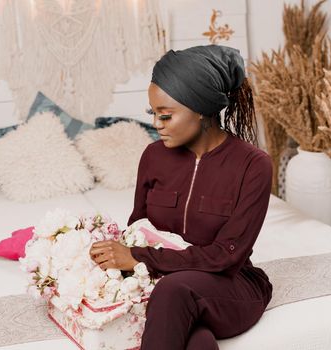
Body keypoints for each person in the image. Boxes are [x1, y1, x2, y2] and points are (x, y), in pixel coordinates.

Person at [89, 45, 273, 349]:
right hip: (165, 284)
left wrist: (138, 257)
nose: (156, 124)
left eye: (166, 115)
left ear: (200, 109)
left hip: (231, 285)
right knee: (196, 340)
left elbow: (226, 256)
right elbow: (140, 227)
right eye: (153, 114)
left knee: (175, 291)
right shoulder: (153, 156)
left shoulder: (253, 165)